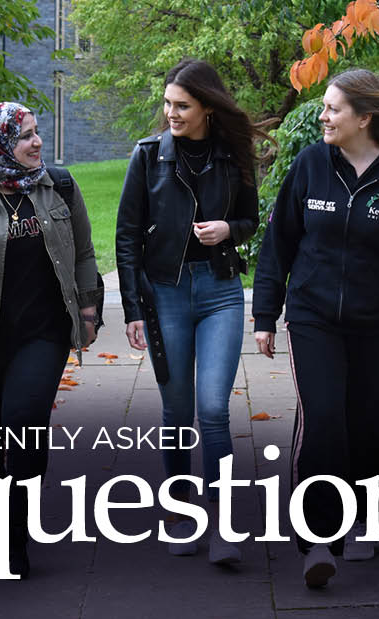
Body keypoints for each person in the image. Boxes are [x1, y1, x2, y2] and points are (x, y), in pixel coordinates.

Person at [252, 69, 379, 588]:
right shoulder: (311, 165)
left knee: (369, 427)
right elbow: (280, 243)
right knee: (322, 422)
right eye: (324, 107)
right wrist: (265, 315)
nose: (323, 116)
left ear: (364, 118)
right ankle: (318, 538)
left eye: (333, 108)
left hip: (376, 323)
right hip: (313, 316)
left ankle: (367, 516)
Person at [0, 102, 102, 578]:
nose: (37, 142)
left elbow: (84, 251)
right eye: (24, 136)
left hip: (41, 333)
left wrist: (88, 308)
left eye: (36, 132)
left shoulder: (60, 187)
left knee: (24, 422)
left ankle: (15, 532)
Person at [116, 59, 267, 564]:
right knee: (178, 413)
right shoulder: (147, 157)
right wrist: (134, 310)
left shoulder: (233, 154)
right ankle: (183, 515)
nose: (171, 113)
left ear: (206, 105)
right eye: (168, 104)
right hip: (167, 294)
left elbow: (251, 218)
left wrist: (230, 231)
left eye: (182, 105)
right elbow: (126, 238)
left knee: (214, 410)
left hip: (221, 291)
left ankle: (223, 525)